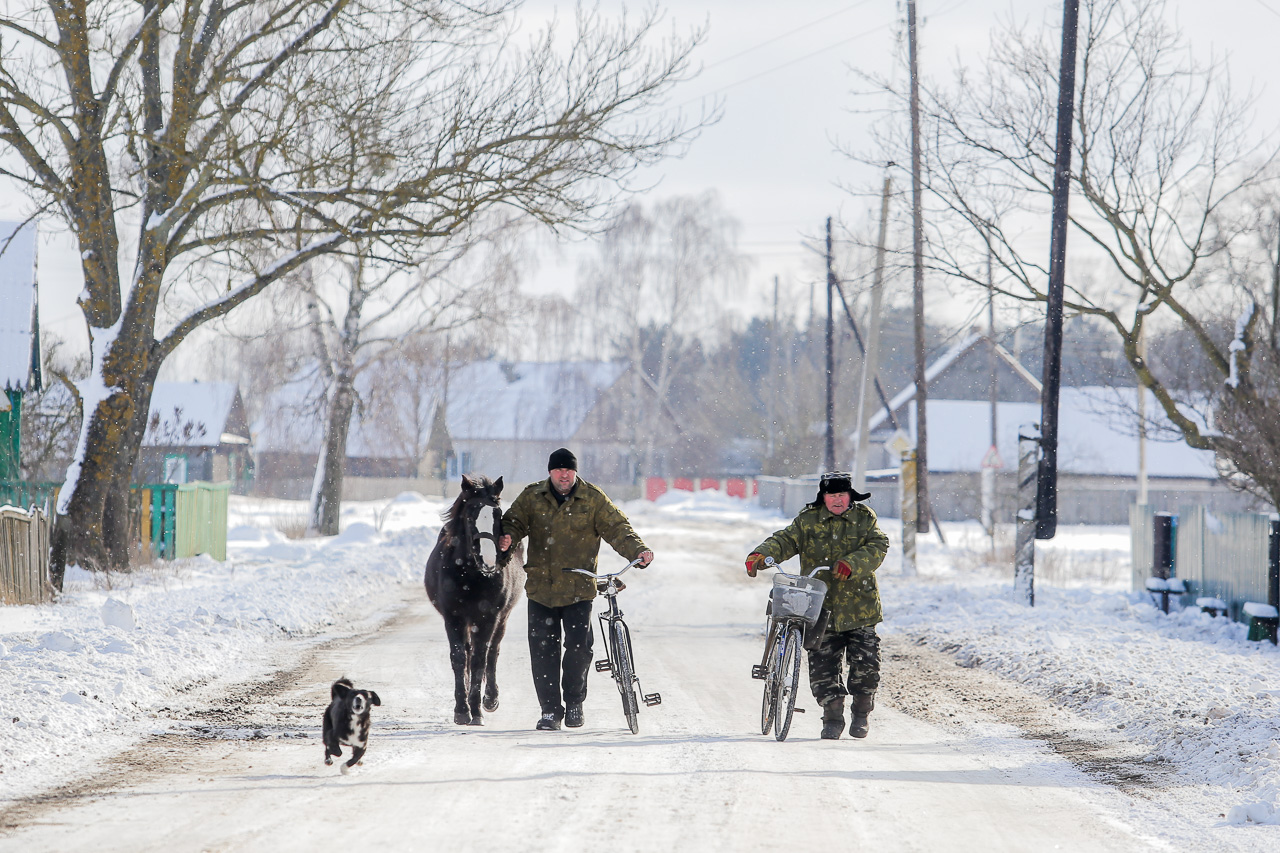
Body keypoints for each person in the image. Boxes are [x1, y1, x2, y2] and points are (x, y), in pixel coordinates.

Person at [499, 448, 654, 731]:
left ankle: (573, 703)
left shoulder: (592, 498)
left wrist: (638, 550)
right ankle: (549, 711)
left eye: (568, 469)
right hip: (541, 591)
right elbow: (514, 521)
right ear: (550, 472)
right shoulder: (532, 497)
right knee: (543, 651)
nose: (564, 474)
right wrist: (508, 536)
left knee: (580, 649)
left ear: (575, 471)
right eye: (559, 469)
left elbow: (618, 527)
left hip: (578, 590)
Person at [745, 472, 890, 740]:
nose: (837, 500)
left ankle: (861, 712)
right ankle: (832, 717)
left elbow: (878, 545)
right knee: (823, 668)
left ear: (850, 496)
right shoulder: (808, 519)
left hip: (860, 606)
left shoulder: (864, 518)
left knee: (866, 666)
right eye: (832, 495)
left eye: (842, 495)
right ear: (823, 497)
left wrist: (852, 564)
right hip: (818, 605)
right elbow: (786, 539)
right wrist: (762, 553)